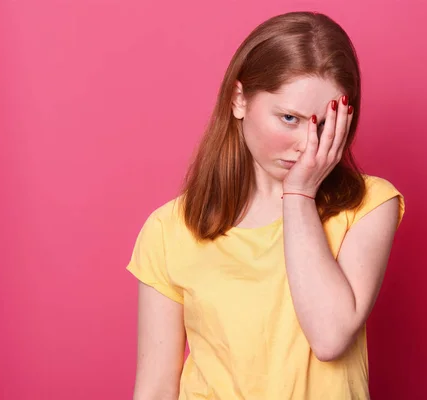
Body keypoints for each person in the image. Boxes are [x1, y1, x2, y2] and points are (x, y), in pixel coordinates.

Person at [126, 11, 405, 400]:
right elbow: (155, 388)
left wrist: (299, 194)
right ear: (239, 100)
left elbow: (329, 337)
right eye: (289, 118)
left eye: (324, 125)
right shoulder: (170, 228)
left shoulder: (368, 206)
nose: (307, 144)